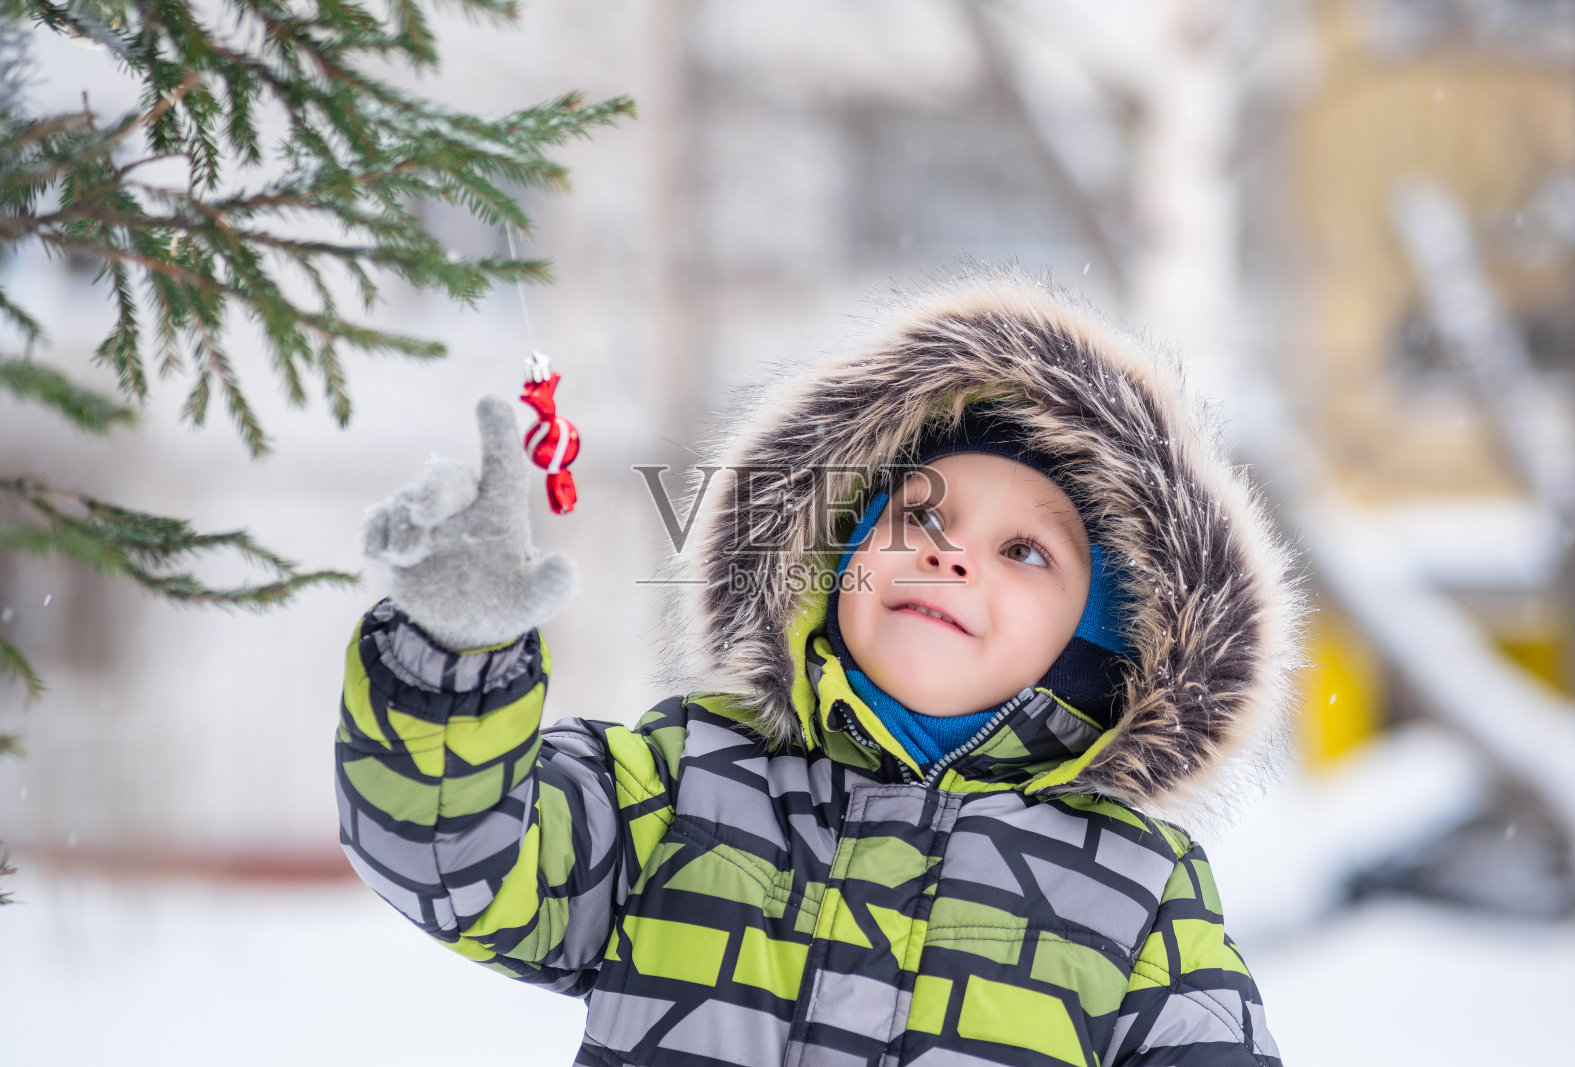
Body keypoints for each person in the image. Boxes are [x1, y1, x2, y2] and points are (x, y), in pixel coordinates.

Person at [337, 267, 1302, 1066]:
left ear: (1106, 647)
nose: (948, 554)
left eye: (1024, 552)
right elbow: (453, 855)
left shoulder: (1135, 893)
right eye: (918, 515)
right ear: (830, 557)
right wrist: (449, 661)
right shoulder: (685, 786)